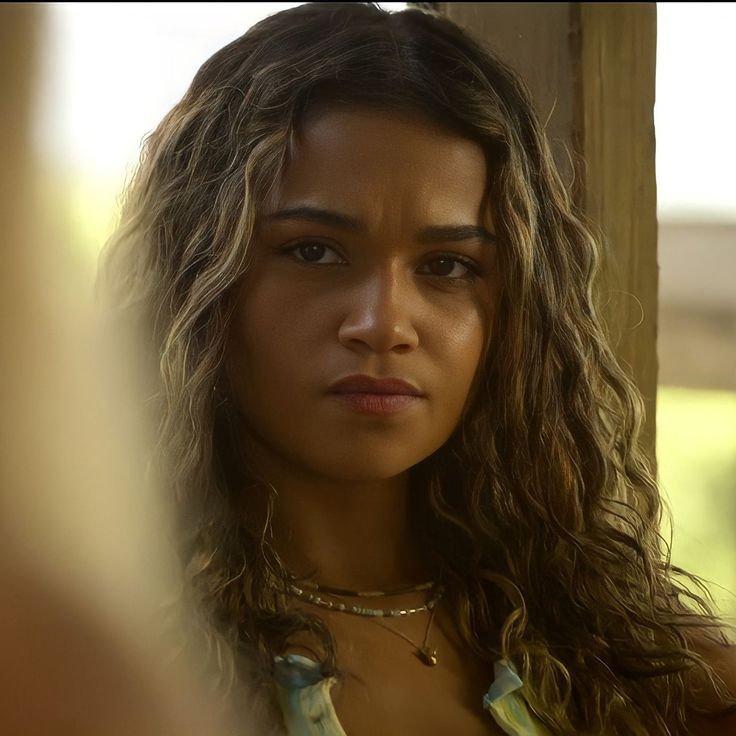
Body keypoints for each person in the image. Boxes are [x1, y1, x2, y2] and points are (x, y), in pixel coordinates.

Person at [99, 3, 736, 734]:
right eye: (313, 251)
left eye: (448, 265)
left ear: (513, 313)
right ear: (199, 279)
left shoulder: (638, 669)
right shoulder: (104, 663)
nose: (384, 324)